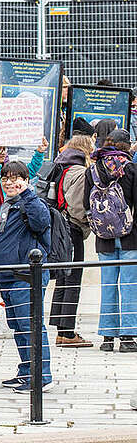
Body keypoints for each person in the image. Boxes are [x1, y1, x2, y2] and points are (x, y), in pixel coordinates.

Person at [0, 159, 52, 391]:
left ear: (26, 180)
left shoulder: (32, 202)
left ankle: (42, 375)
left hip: (26, 275)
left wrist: (29, 195)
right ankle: (27, 370)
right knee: (18, 326)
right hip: (8, 274)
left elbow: (41, 222)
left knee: (31, 324)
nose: (10, 183)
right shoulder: (9, 204)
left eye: (16, 178)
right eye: (6, 178)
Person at [84, 129, 137, 352]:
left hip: (103, 237)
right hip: (130, 236)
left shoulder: (93, 169)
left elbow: (87, 205)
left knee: (107, 285)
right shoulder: (131, 168)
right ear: (127, 145)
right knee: (129, 285)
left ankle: (107, 336)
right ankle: (127, 336)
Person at [48, 134, 94, 347]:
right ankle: (67, 332)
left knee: (63, 277)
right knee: (73, 278)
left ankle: (60, 328)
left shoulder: (61, 165)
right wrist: (87, 221)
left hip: (58, 226)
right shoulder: (80, 172)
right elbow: (77, 205)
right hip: (72, 228)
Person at [0, 133, 47, 215]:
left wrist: (39, 153)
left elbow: (28, 172)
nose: (3, 152)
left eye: (5, 149)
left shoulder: (6, 168)